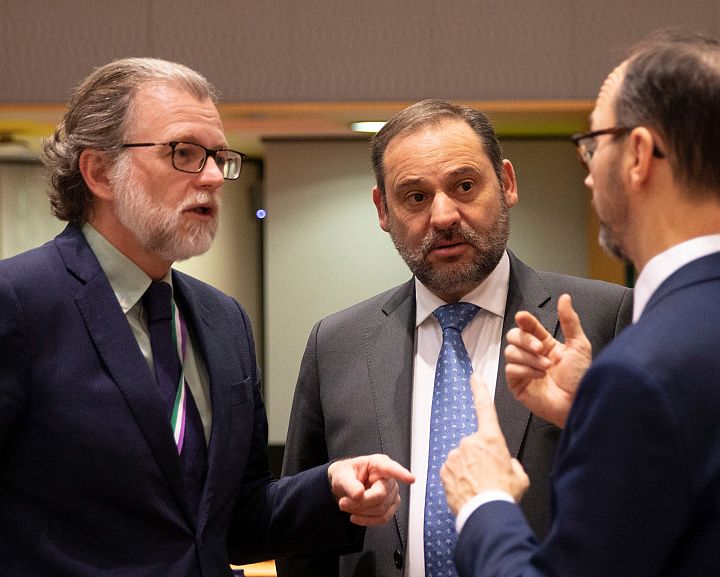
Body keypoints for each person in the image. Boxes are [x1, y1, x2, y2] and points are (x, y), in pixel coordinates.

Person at [0, 57, 415, 577]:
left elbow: (236, 519)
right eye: (185, 153)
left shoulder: (223, 321)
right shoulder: (19, 301)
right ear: (100, 172)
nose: (216, 177)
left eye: (219, 156)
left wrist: (330, 488)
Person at [440, 30, 720, 577]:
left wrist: (484, 502)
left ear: (637, 155)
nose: (588, 172)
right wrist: (593, 410)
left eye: (593, 144)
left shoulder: (641, 374)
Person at [277, 99, 633, 577]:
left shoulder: (603, 319)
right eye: (415, 197)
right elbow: (299, 534)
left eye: (465, 186)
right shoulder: (336, 343)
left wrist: (590, 415)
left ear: (506, 183)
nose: (444, 215)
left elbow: (655, 500)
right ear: (383, 209)